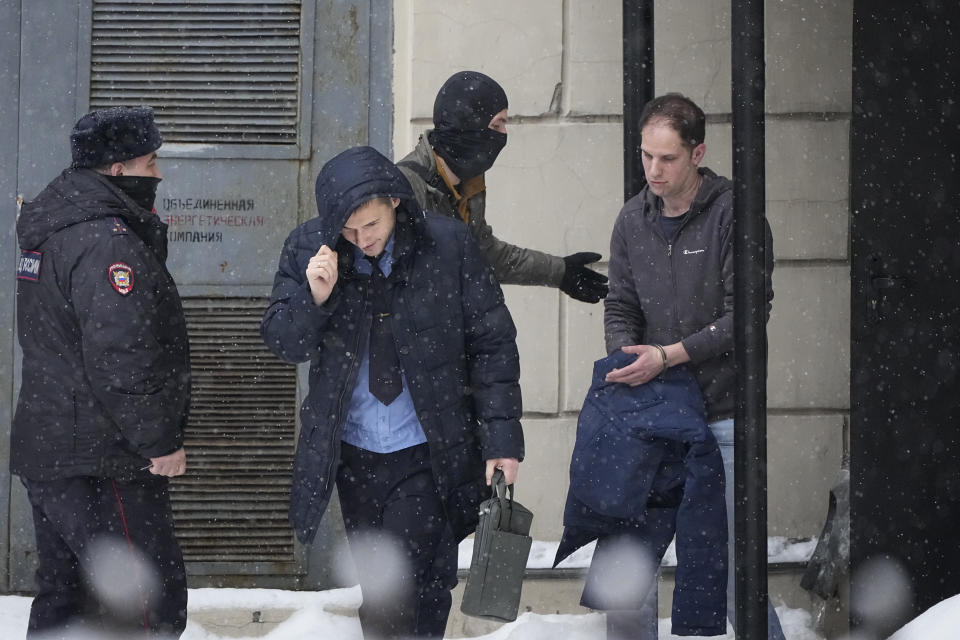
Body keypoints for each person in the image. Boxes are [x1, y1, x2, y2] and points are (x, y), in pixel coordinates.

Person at [261, 145, 524, 639]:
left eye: (372, 226)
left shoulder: (447, 246)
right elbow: (283, 341)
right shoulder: (309, 250)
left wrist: (503, 441)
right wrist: (314, 298)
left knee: (397, 583)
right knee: (409, 585)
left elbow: (493, 345)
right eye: (350, 231)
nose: (362, 241)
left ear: (396, 203)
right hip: (355, 455)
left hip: (427, 448)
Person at [603, 93, 783, 639]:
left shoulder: (735, 213)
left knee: (729, 568)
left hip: (721, 412)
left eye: (668, 159)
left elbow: (746, 317)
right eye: (646, 156)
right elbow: (621, 303)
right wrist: (627, 355)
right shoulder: (633, 218)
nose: (653, 171)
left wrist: (668, 356)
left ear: (698, 153)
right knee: (629, 571)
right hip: (653, 414)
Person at [12, 106, 190, 638]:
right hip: (102, 459)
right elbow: (121, 355)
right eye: (151, 162)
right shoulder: (106, 241)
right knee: (144, 607)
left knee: (67, 604)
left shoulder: (54, 226)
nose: (158, 174)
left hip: (53, 450)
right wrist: (160, 441)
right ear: (119, 169)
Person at [396, 70, 609, 304]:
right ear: (468, 124)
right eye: (496, 125)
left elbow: (482, 253)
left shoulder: (469, 181)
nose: (503, 135)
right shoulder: (404, 187)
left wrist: (559, 271)